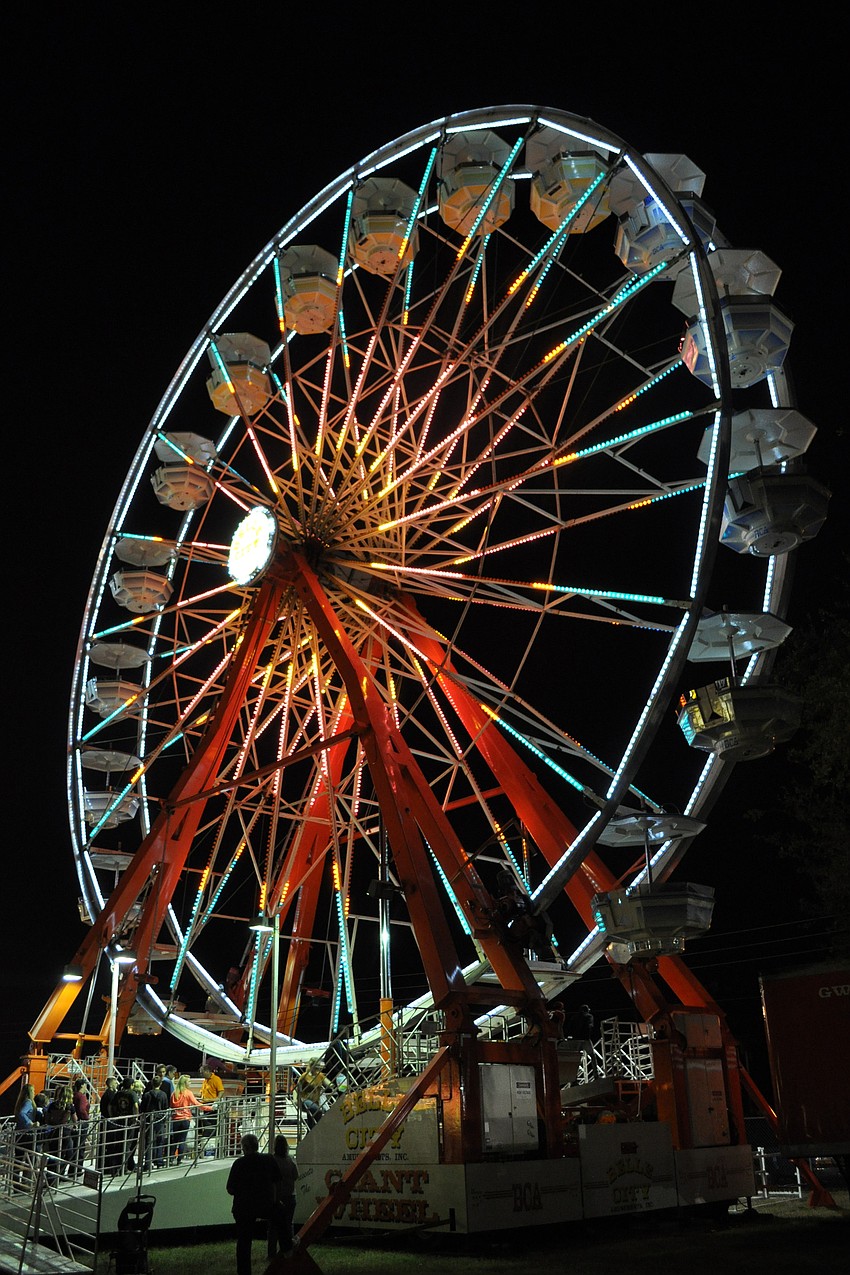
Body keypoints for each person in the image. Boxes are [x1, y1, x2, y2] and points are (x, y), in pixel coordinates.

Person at [226, 1132, 286, 1275]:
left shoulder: (239, 1164)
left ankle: (244, 1272)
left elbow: (230, 1189)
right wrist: (275, 1200)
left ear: (245, 1147)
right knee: (282, 1215)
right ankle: (287, 1246)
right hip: (265, 1204)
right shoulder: (268, 1159)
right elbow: (278, 1181)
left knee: (244, 1242)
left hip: (243, 1208)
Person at [267, 1134, 298, 1261]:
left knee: (273, 1227)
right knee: (288, 1224)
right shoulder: (290, 1160)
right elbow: (296, 1175)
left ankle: (271, 1254)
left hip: (276, 1197)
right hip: (290, 1196)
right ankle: (288, 1251)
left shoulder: (272, 1160)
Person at [170, 1073, 212, 1163]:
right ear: (185, 1083)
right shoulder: (188, 1093)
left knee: (174, 1140)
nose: (190, 1083)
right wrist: (210, 1108)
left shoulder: (174, 1094)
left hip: (175, 1119)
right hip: (185, 1118)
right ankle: (179, 1159)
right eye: (189, 1082)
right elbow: (197, 1104)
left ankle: (170, 1158)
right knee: (182, 1140)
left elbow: (171, 1105)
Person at [139, 1078, 169, 1169]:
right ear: (160, 1084)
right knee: (159, 1141)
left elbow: (142, 1109)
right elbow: (165, 1108)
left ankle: (148, 1164)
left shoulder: (147, 1095)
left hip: (148, 1121)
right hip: (160, 1120)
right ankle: (159, 1162)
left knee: (148, 1142)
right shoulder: (163, 1094)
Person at [295, 1064, 331, 1129]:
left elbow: (327, 1082)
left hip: (315, 1101)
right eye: (316, 1068)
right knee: (317, 1110)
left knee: (312, 1118)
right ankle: (313, 1130)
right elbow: (297, 1088)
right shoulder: (304, 1076)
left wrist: (332, 1085)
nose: (317, 1070)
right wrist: (296, 1099)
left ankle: (310, 1133)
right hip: (305, 1099)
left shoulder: (320, 1075)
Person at [99, 1077, 123, 1174]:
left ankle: (103, 1166)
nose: (117, 1084)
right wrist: (114, 1117)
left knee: (106, 1145)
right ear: (111, 1084)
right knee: (111, 1145)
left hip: (106, 1121)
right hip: (110, 1123)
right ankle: (109, 1167)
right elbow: (110, 1107)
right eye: (115, 1082)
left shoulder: (106, 1094)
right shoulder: (111, 1095)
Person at [198, 1064, 223, 1154]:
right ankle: (206, 1149)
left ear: (207, 1071)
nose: (201, 1074)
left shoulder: (216, 1079)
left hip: (211, 1106)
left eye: (202, 1072)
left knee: (210, 1127)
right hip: (205, 1106)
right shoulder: (205, 1080)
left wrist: (216, 1100)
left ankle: (210, 1150)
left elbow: (221, 1091)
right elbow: (202, 1093)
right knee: (205, 1126)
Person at [71, 1078, 90, 1178]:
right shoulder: (81, 1096)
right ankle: (78, 1170)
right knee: (81, 1147)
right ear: (82, 1086)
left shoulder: (73, 1095)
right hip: (82, 1123)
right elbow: (82, 1109)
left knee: (75, 1147)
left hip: (75, 1123)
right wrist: (87, 1117)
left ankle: (72, 1169)